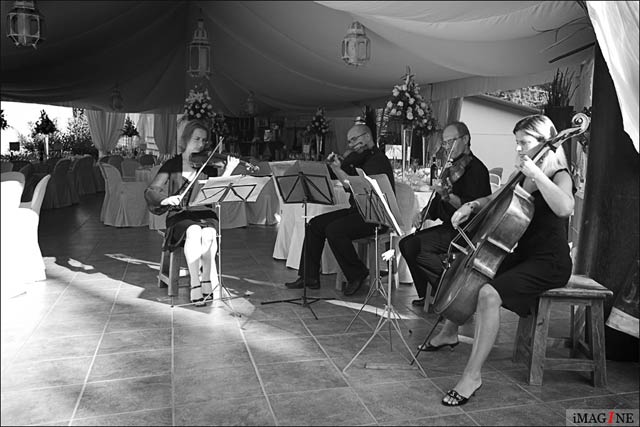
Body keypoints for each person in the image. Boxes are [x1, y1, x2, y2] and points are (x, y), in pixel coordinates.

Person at [431, 114, 574, 406]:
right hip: (524, 255)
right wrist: (470, 206)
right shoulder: (519, 176)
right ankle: (448, 331)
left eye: (524, 142)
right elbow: (494, 199)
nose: (519, 149)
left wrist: (538, 176)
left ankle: (472, 376)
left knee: (488, 294)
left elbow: (565, 207)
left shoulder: (559, 175)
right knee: (474, 270)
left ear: (545, 142)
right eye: (516, 143)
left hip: (550, 262)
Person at [284, 123, 394, 296]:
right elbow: (339, 175)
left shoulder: (378, 160)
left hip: (376, 215)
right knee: (315, 224)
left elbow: (355, 186)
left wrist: (338, 169)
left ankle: (357, 273)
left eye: (354, 140)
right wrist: (334, 166)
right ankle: (309, 277)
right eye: (349, 142)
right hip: (358, 211)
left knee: (334, 230)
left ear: (367, 137)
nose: (351, 145)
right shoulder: (358, 157)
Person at [144, 120, 239, 306]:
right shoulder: (172, 164)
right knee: (194, 231)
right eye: (196, 139)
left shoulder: (208, 165)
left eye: (204, 140)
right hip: (179, 214)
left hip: (203, 212)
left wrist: (228, 170)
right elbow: (151, 190)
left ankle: (206, 281)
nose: (201, 144)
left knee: (210, 232)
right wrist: (166, 199)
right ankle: (195, 284)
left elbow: (216, 192)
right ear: (186, 139)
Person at [399, 121, 491, 307]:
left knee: (419, 250)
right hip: (449, 227)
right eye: (445, 143)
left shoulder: (477, 170)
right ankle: (429, 295)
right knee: (407, 244)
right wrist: (424, 214)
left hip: (466, 231)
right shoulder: (451, 167)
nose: (447, 147)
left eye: (451, 141)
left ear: (465, 139)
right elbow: (437, 201)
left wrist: (447, 195)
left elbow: (470, 208)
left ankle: (452, 294)